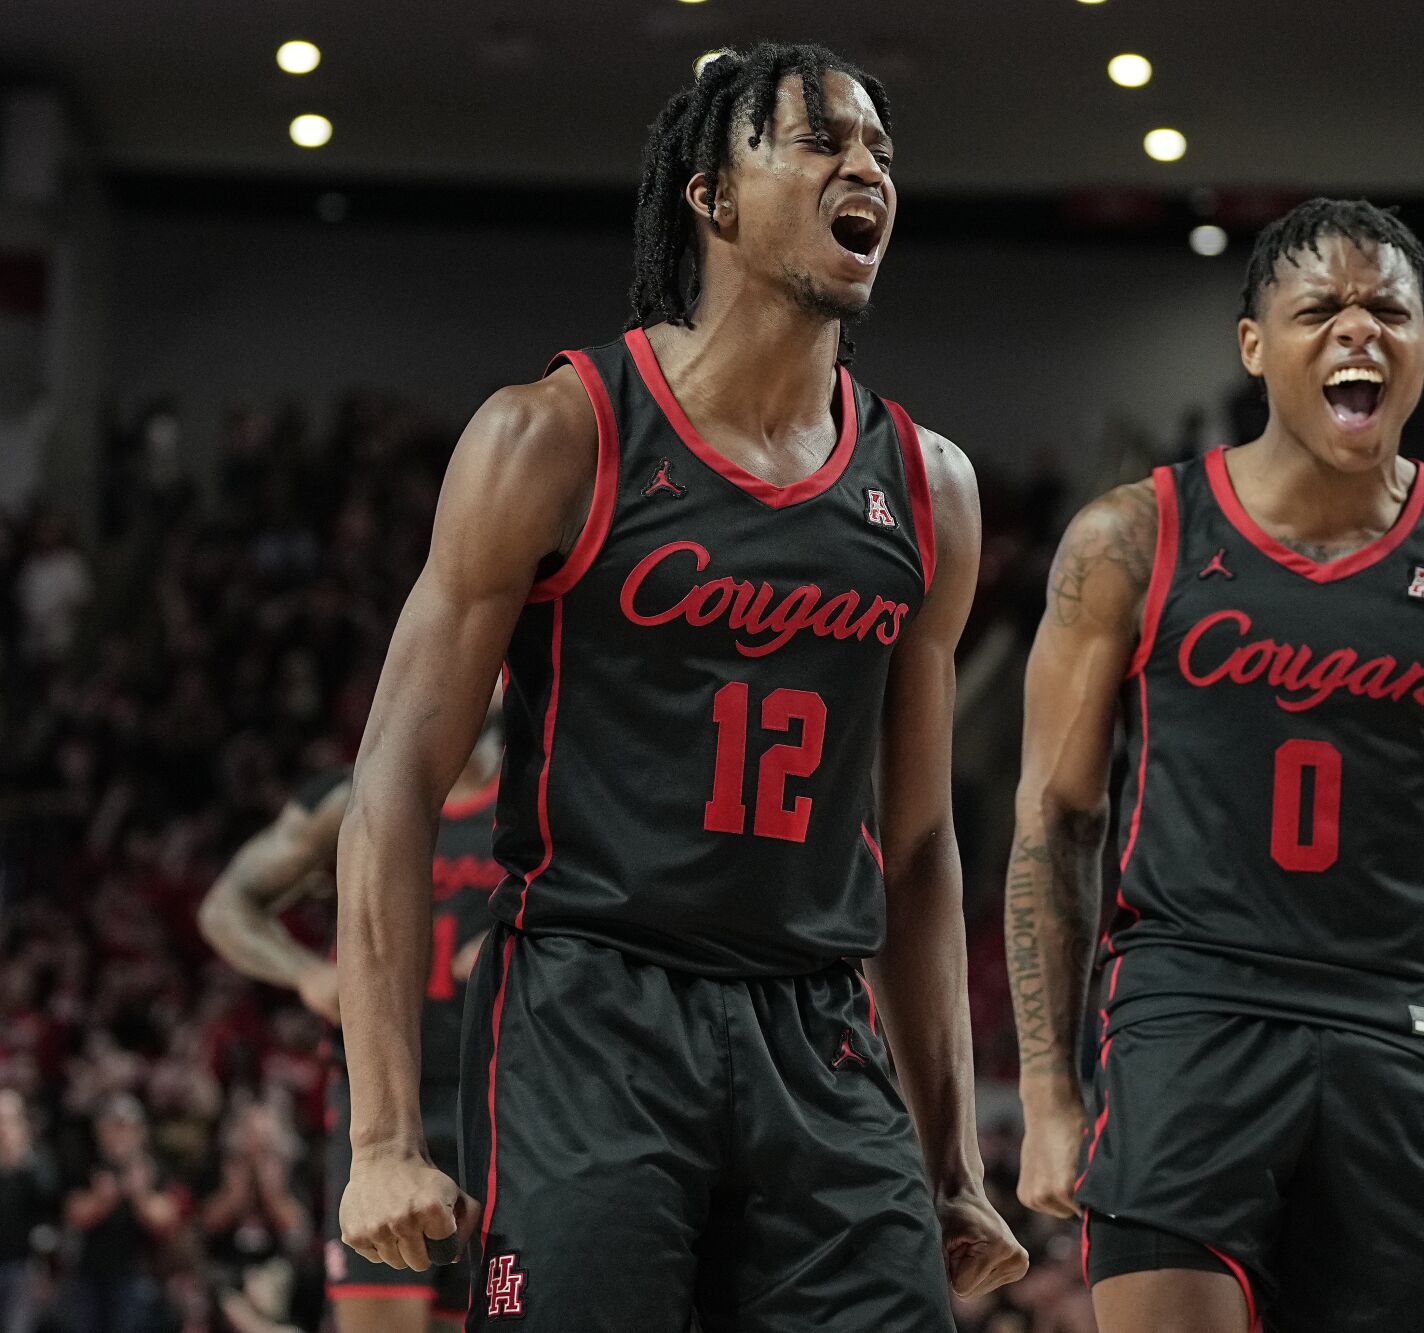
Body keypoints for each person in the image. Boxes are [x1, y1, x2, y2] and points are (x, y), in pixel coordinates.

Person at [332, 41, 1025, 1331]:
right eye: (819, 140)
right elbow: (394, 784)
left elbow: (921, 846)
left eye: (879, 147)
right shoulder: (554, 433)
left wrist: (951, 1160)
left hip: (817, 1024)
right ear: (711, 196)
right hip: (591, 1011)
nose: (864, 164)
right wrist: (379, 1134)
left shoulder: (930, 489)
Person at [1004, 198, 1424, 1331]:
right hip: (1187, 1009)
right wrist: (1045, 1090)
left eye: (1387, 311)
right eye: (1318, 308)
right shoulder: (1131, 537)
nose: (1357, 331)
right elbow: (1056, 817)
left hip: (1390, 1030)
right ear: (1252, 345)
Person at [199, 696, 503, 1331]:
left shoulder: (545, 799)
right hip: (380, 1107)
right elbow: (227, 906)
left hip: (502, 1103)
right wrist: (304, 971)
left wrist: (525, 942)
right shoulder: (351, 798)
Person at [62, 1095, 181, 1333]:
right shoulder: (86, 1164)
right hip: (88, 1274)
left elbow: (167, 1219)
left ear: (140, 1131)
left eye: (126, 1127)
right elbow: (73, 1214)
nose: (119, 1135)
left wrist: (140, 1195)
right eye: (112, 1127)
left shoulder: (155, 1168)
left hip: (138, 1275)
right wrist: (102, 1201)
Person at [0, 1089, 54, 1333]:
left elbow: (50, 1217)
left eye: (9, 1120)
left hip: (22, 1268)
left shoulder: (39, 1166)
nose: (3, 1128)